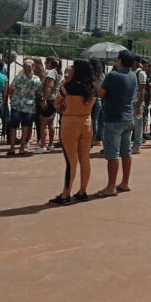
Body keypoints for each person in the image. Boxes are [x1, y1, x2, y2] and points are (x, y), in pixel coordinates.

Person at [50, 59, 96, 204]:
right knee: (85, 159)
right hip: (87, 122)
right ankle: (82, 191)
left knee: (71, 160)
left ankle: (66, 194)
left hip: (70, 122)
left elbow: (56, 103)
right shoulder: (92, 87)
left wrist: (63, 108)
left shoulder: (68, 86)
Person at [95, 50, 138, 197]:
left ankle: (111, 186)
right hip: (128, 118)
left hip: (113, 118)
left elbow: (101, 94)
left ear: (119, 60)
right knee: (126, 152)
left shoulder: (113, 75)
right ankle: (124, 183)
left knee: (112, 154)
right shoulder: (133, 75)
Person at [7, 59, 41, 155]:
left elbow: (11, 87)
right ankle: (22, 148)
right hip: (29, 105)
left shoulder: (19, 77)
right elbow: (39, 91)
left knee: (13, 127)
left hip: (17, 104)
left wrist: (11, 96)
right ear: (33, 67)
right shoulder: (36, 79)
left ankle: (12, 148)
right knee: (26, 127)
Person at [37, 57, 62, 153]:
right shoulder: (58, 73)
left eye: (47, 62)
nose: (45, 64)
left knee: (43, 124)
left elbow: (49, 87)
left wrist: (44, 99)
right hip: (54, 99)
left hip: (49, 100)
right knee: (51, 123)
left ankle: (43, 145)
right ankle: (50, 144)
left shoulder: (51, 73)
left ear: (51, 63)